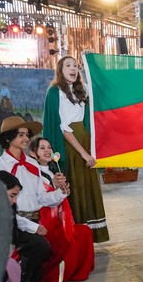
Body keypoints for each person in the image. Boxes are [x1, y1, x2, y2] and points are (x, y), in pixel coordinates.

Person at [0, 116, 63, 282]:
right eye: (21, 135)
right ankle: (19, 281)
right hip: (11, 221)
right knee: (41, 246)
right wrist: (33, 227)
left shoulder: (32, 163)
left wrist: (60, 192)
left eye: (27, 135)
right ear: (8, 138)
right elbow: (0, 207)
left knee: (41, 265)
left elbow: (42, 198)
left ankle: (22, 275)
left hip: (34, 218)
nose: (26, 139)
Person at [43, 56, 109, 242]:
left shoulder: (82, 90)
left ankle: (91, 233)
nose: (73, 69)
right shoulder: (55, 92)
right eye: (68, 65)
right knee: (76, 183)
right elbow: (63, 128)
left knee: (88, 185)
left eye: (75, 66)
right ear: (60, 70)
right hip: (71, 145)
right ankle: (76, 233)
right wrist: (84, 153)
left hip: (85, 138)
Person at [29, 136, 95, 282]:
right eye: (42, 148)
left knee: (85, 231)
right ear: (33, 153)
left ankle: (76, 269)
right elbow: (43, 200)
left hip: (56, 220)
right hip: (45, 222)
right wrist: (57, 189)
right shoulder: (34, 174)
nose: (47, 151)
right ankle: (61, 271)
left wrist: (63, 189)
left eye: (49, 147)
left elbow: (58, 199)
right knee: (77, 235)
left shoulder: (52, 171)